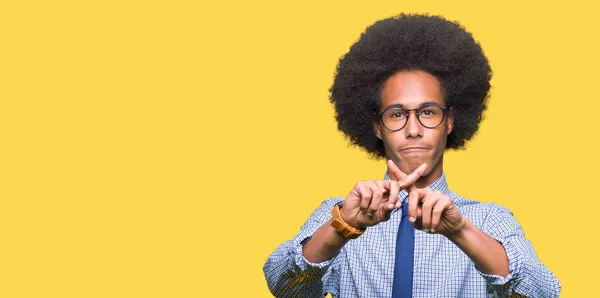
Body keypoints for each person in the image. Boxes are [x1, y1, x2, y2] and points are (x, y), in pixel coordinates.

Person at [263, 13, 561, 298]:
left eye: (428, 112)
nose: (413, 129)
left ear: (450, 121)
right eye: (397, 114)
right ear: (378, 127)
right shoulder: (341, 214)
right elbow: (284, 287)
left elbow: (544, 293)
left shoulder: (489, 220)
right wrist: (342, 227)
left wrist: (460, 231)